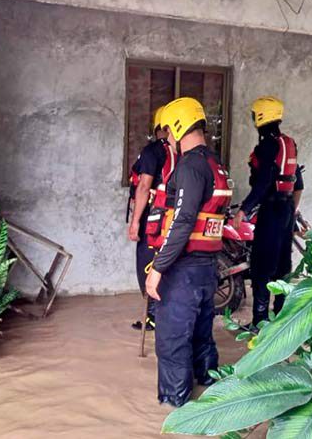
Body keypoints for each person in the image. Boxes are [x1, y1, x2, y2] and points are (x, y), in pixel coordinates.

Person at [145, 97, 233, 407]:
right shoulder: (214, 163)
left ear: (178, 127)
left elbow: (182, 221)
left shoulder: (190, 166)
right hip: (207, 267)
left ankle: (176, 404)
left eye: (168, 131)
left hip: (183, 269)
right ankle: (208, 384)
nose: (167, 137)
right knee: (200, 332)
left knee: (171, 338)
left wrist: (158, 269)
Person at [232, 96, 304, 327]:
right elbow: (298, 184)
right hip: (286, 210)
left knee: (261, 266)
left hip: (271, 210)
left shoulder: (266, 146)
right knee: (283, 265)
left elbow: (263, 184)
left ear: (260, 117)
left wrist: (243, 210)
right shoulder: (288, 144)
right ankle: (281, 317)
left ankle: (260, 321)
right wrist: (292, 212)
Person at [128, 106, 176, 331]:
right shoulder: (181, 152)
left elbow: (144, 186)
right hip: (175, 218)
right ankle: (167, 315)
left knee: (147, 264)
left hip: (153, 219)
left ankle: (153, 317)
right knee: (169, 265)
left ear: (158, 127)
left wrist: (135, 222)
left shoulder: (153, 151)